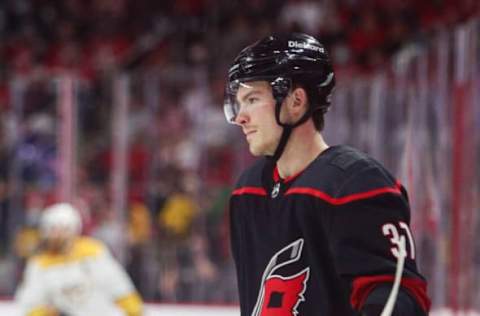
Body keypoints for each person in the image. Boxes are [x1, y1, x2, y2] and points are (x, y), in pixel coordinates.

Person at [224, 33, 430, 316]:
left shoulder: (355, 184)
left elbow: (399, 295)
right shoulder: (247, 192)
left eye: (252, 98)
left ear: (296, 101)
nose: (240, 117)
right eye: (239, 102)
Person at [15, 203, 143, 316]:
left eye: (58, 230)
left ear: (72, 229)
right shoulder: (39, 264)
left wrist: (134, 310)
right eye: (51, 230)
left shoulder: (92, 252)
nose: (54, 235)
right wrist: (47, 312)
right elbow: (30, 303)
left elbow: (118, 287)